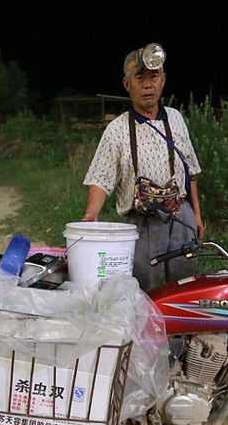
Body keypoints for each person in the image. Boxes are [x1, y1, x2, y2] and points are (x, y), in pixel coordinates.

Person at [81, 43, 204, 291]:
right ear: (128, 84)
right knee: (142, 288)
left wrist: (197, 215)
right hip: (143, 223)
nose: (148, 84)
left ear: (163, 80)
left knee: (186, 282)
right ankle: (145, 329)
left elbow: (190, 170)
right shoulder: (116, 130)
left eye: (154, 77)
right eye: (140, 77)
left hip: (182, 217)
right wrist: (91, 214)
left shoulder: (176, 119)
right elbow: (101, 178)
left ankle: (182, 330)